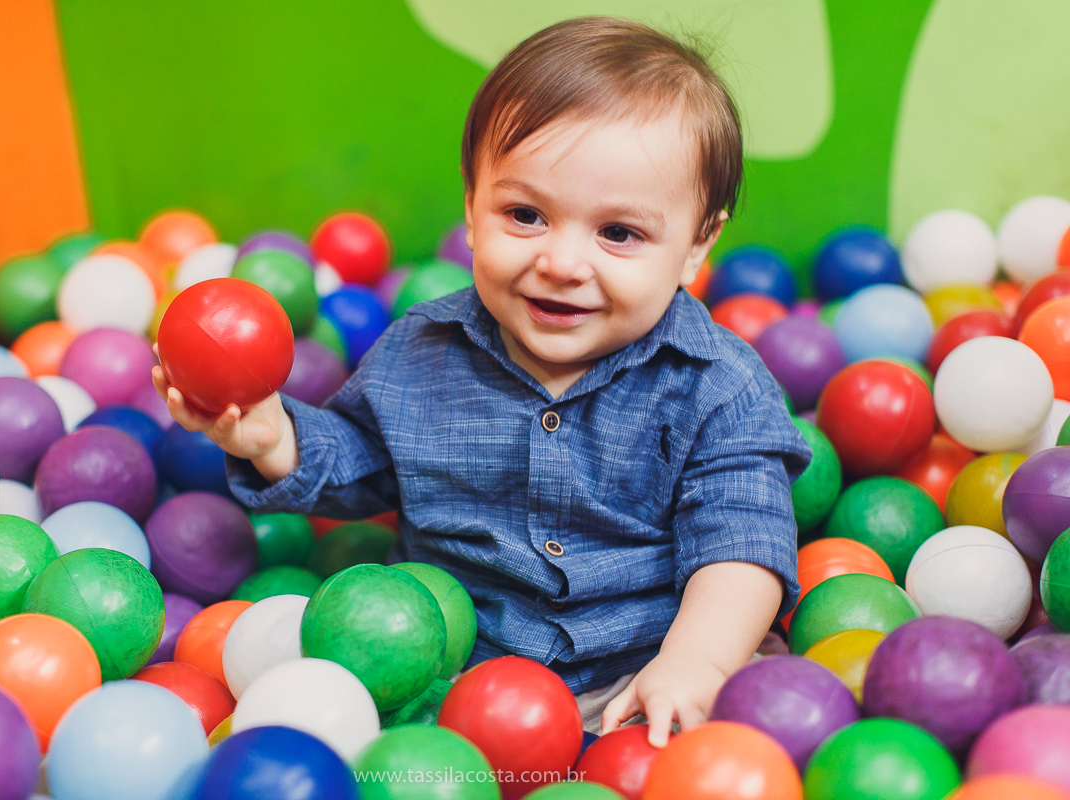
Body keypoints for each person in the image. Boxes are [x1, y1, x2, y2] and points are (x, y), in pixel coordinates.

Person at [153, 16, 810, 747]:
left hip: (646, 676)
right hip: (457, 679)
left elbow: (741, 541)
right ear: (472, 210)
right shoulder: (421, 353)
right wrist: (274, 437)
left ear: (696, 245)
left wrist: (698, 661)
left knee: (742, 729)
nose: (562, 262)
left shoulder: (717, 386)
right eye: (525, 215)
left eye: (618, 233)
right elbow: (360, 462)